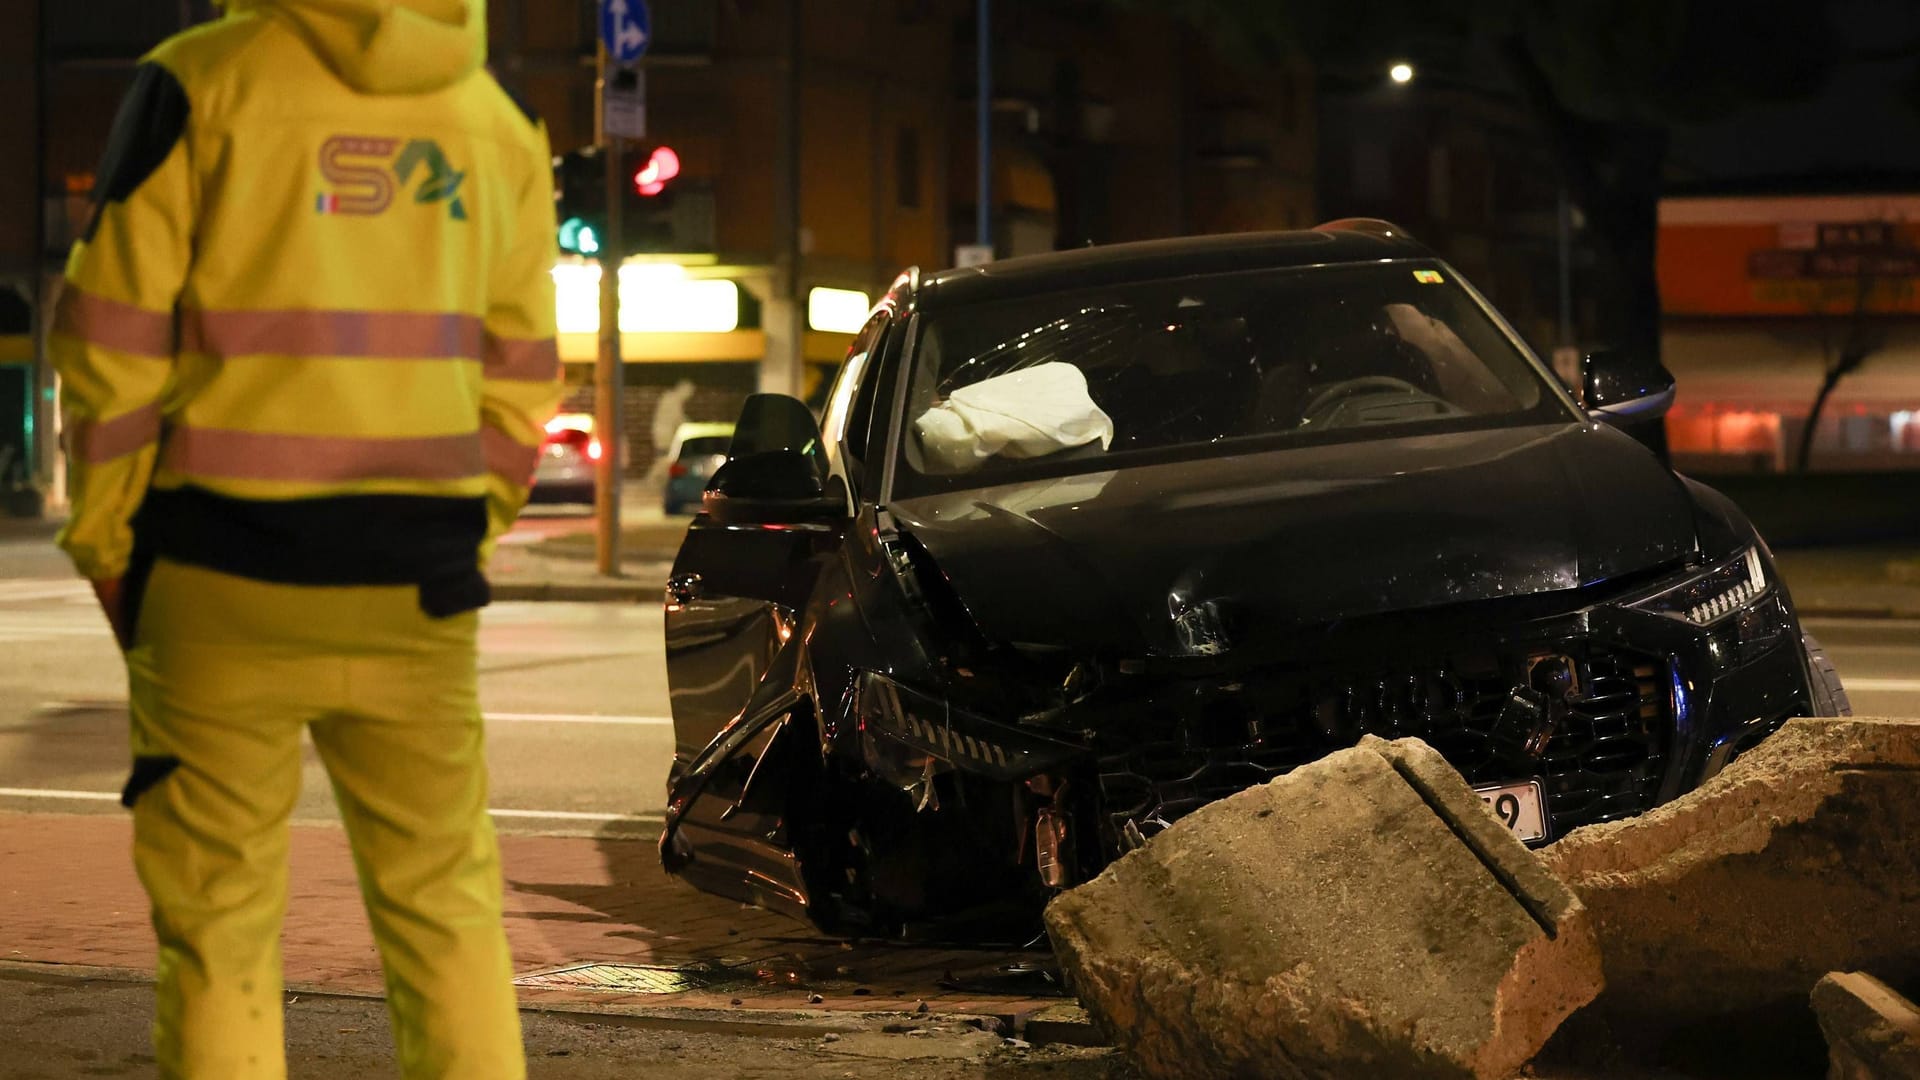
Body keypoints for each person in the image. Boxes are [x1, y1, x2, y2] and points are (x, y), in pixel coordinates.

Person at [49, 1, 563, 1076]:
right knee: (446, 914)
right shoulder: (495, 121)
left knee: (220, 930)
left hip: (213, 574)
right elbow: (522, 375)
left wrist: (106, 542)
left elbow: (111, 341)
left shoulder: (200, 82)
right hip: (415, 587)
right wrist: (466, 529)